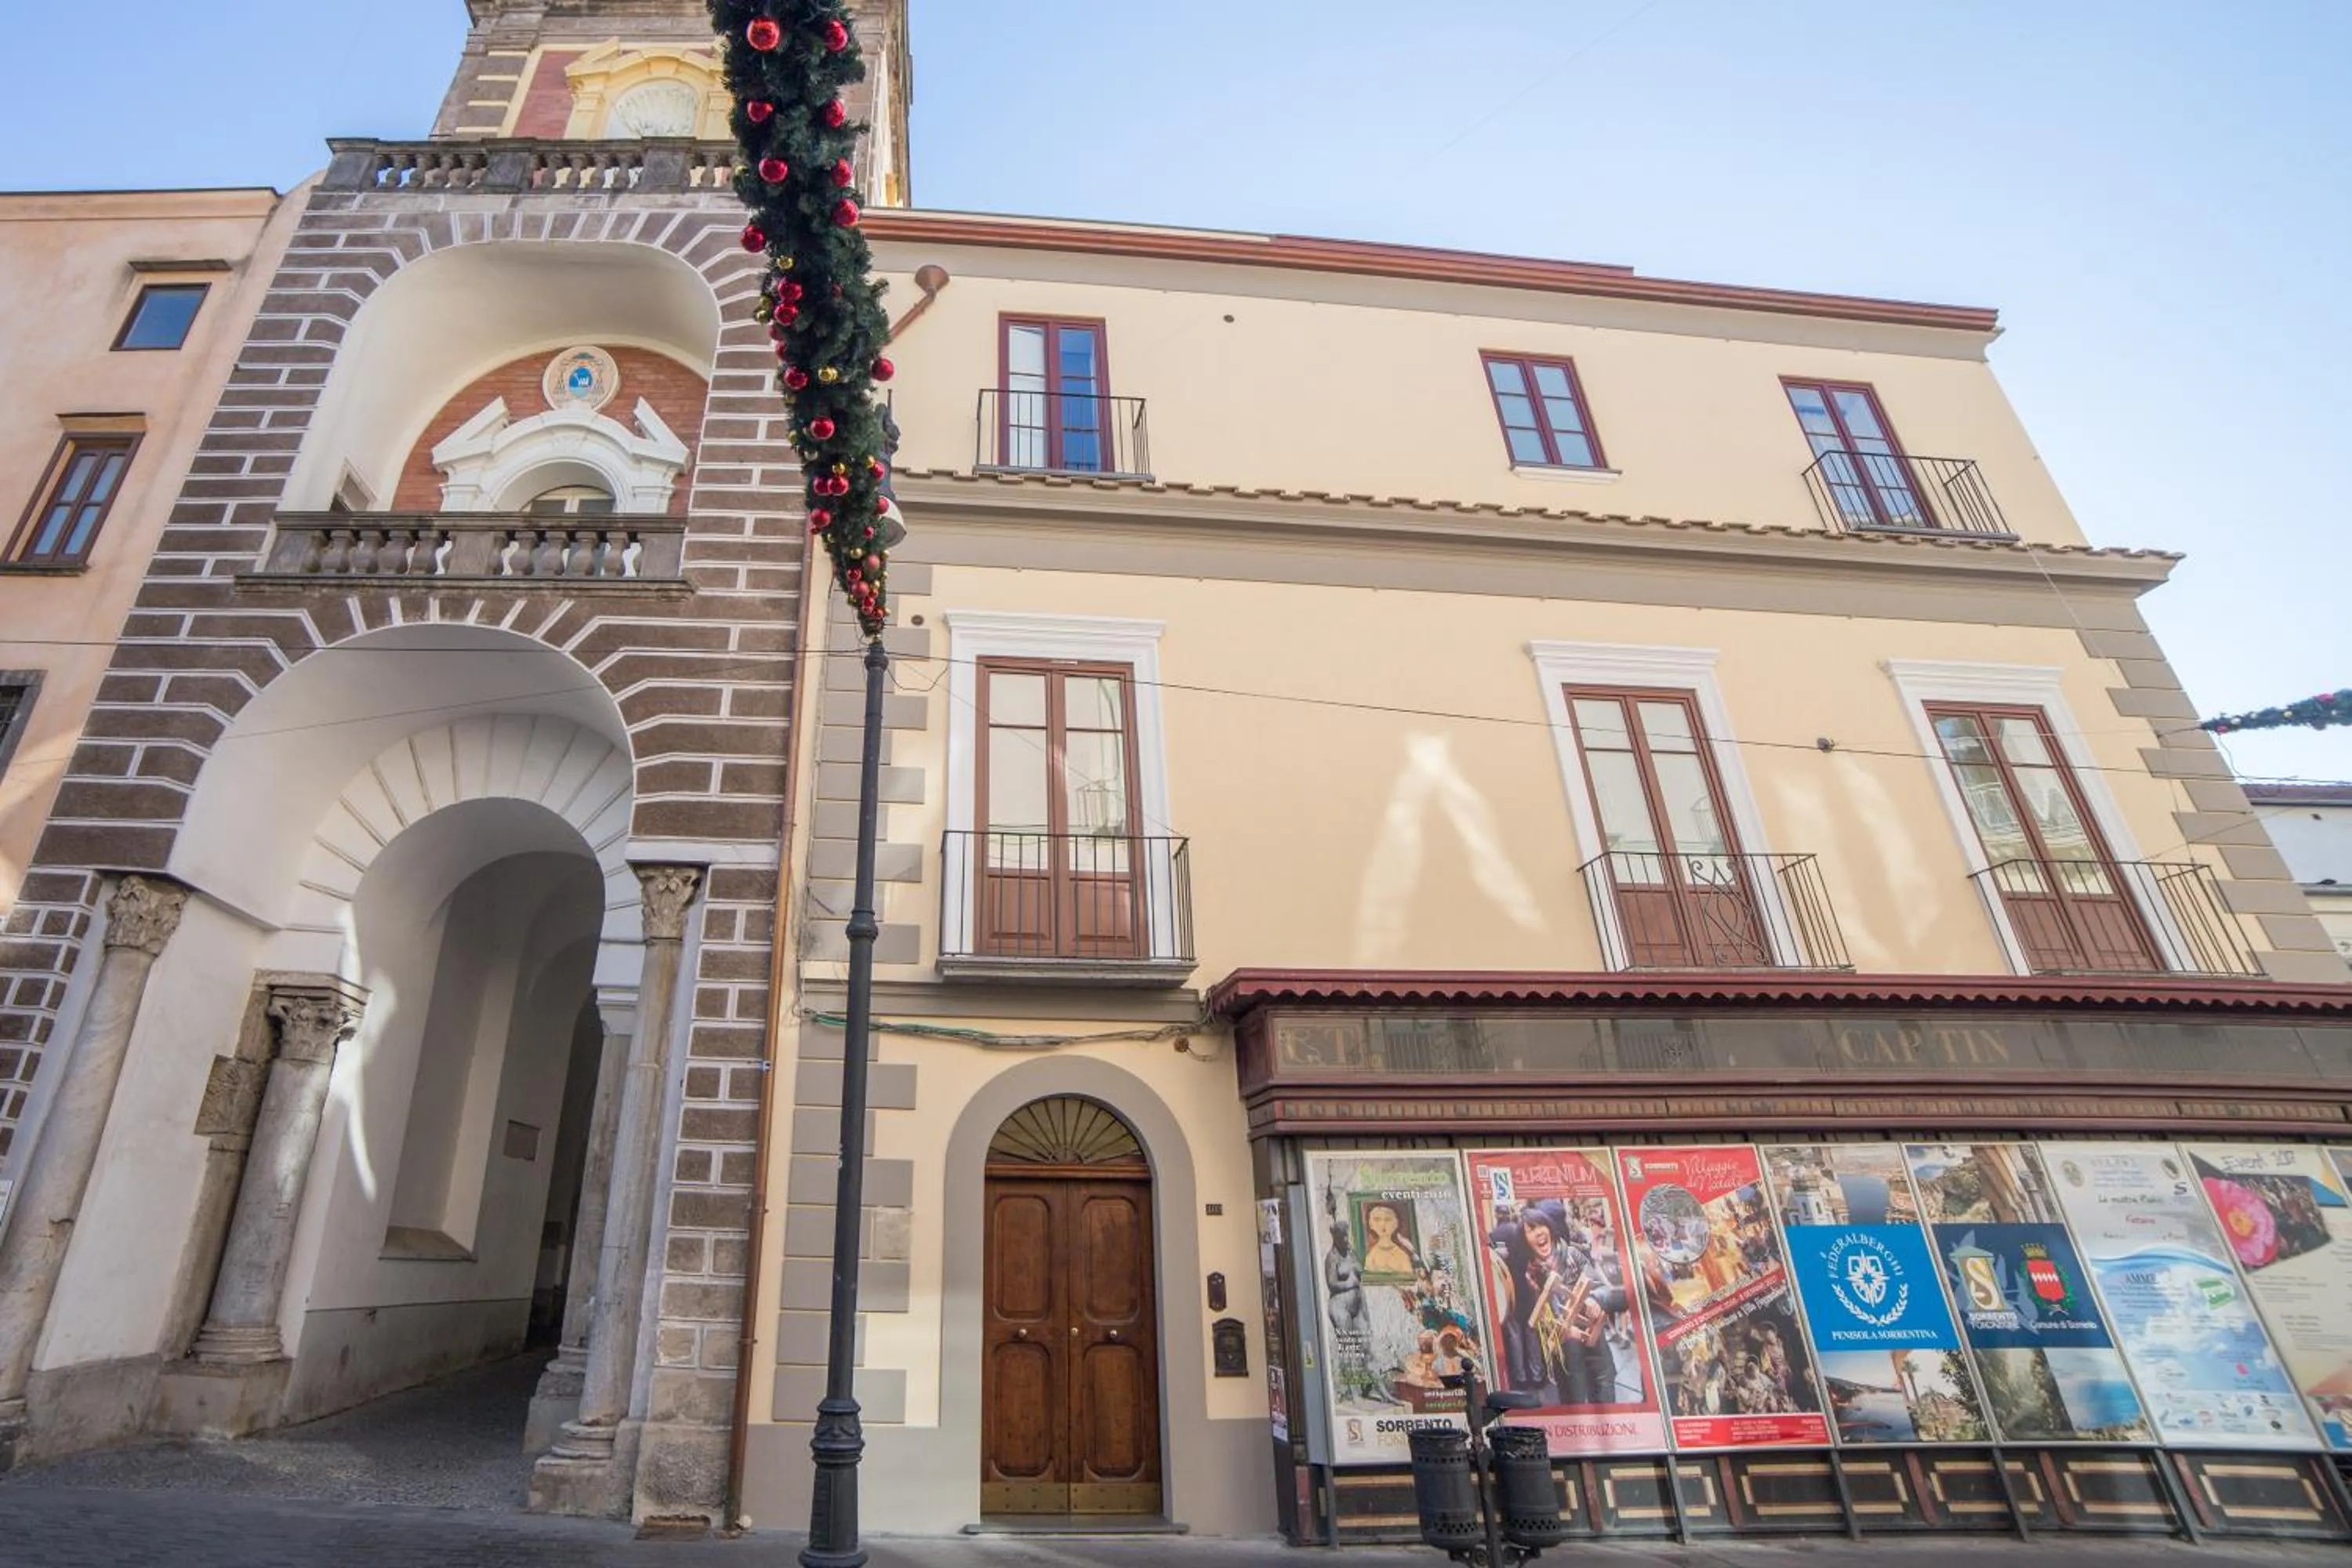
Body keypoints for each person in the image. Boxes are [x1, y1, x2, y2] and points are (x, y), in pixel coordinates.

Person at [1361, 1201, 1421, 1278]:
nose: (1383, 1224)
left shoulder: (1402, 1256)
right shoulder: (1371, 1257)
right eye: (1377, 1219)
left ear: (1396, 1223)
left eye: (1388, 1219)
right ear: (1370, 1224)